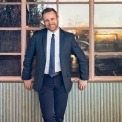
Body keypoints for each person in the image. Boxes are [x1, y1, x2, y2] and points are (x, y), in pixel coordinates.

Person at [22, 8, 89, 122]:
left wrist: (84, 78)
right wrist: (26, 77)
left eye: (52, 18)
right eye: (46, 20)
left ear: (57, 18)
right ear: (44, 22)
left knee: (59, 116)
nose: (50, 22)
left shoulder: (68, 37)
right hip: (44, 80)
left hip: (62, 80)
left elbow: (82, 58)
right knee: (48, 117)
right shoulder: (38, 36)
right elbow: (28, 57)